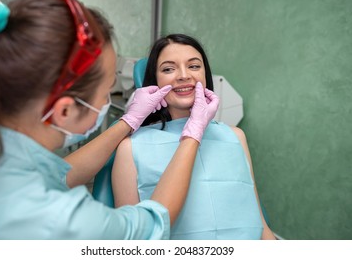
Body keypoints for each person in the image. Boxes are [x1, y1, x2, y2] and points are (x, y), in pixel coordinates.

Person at [0, 0, 219, 239]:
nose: (184, 75)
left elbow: (60, 174)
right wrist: (192, 135)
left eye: (193, 66)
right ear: (64, 110)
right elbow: (151, 226)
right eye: (107, 90)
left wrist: (128, 121)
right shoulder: (60, 218)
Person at [112, 33, 276, 240]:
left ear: (205, 75)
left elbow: (258, 223)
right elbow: (130, 239)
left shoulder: (235, 137)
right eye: (169, 69)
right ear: (154, 82)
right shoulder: (130, 148)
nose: (183, 75)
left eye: (194, 66)